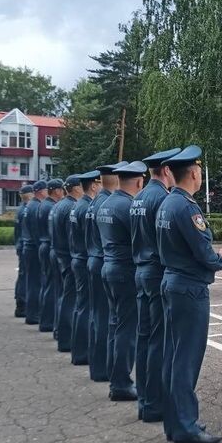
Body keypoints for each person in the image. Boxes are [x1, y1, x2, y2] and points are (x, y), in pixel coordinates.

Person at [156, 145, 222, 443]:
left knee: (173, 355)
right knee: (186, 359)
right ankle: (184, 426)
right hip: (189, 289)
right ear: (194, 173)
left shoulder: (168, 203)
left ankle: (174, 421)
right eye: (199, 170)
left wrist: (215, 260)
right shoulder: (186, 207)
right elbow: (202, 252)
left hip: (173, 282)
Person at [130, 147, 181, 422]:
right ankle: (155, 403)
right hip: (157, 272)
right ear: (166, 170)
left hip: (140, 270)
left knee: (144, 336)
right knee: (159, 341)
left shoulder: (139, 197)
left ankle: (144, 397)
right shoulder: (162, 198)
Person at [97, 161, 147, 401]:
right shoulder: (129, 206)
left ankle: (114, 375)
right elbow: (141, 241)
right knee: (127, 328)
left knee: (115, 324)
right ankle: (121, 383)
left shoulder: (106, 203)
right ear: (139, 181)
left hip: (109, 267)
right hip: (125, 271)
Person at [86, 161, 127, 382]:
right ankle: (105, 370)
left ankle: (100, 367)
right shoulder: (111, 203)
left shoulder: (98, 203)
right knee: (109, 320)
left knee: (102, 318)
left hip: (99, 261)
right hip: (109, 263)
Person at [69, 171, 99, 365]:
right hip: (84, 259)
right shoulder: (87, 206)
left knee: (81, 306)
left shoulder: (78, 206)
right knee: (86, 308)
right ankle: (82, 353)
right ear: (94, 186)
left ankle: (79, 352)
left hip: (78, 258)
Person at [50, 176, 80, 352]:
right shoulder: (70, 207)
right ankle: (66, 338)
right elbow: (72, 238)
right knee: (69, 300)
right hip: (68, 257)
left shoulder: (60, 205)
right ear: (75, 188)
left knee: (64, 297)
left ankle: (60, 333)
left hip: (60, 255)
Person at [37, 179, 64, 333]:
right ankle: (48, 322)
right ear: (57, 191)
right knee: (51, 286)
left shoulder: (45, 205)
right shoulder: (51, 206)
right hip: (49, 245)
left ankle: (46, 320)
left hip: (45, 245)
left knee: (48, 284)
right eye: (61, 190)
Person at [22, 180, 47, 325]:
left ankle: (31, 313)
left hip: (28, 246)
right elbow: (37, 232)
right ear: (40, 191)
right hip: (33, 248)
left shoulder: (30, 205)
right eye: (45, 190)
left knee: (32, 282)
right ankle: (33, 314)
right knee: (36, 283)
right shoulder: (36, 206)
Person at [13, 185, 33, 318]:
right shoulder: (27, 209)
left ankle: (20, 304)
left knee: (22, 275)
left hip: (21, 245)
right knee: (26, 276)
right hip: (26, 245)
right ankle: (22, 305)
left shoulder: (21, 209)